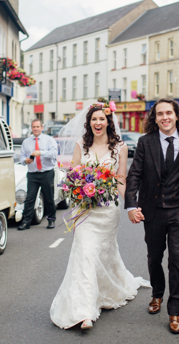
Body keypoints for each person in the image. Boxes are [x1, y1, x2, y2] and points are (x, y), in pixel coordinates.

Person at [50, 103, 150, 330]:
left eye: (101, 119)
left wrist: (131, 207)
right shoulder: (80, 146)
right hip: (85, 210)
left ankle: (108, 289)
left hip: (107, 211)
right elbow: (73, 175)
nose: (98, 123)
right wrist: (77, 190)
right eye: (94, 119)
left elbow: (121, 179)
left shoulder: (120, 148)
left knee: (102, 254)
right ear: (89, 122)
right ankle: (84, 312)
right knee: (85, 254)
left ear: (108, 121)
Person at [125, 98, 179, 335]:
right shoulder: (145, 142)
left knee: (177, 258)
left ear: (177, 115)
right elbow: (134, 175)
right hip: (153, 210)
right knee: (154, 257)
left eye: (169, 113)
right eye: (160, 114)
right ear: (155, 118)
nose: (165, 117)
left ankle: (175, 310)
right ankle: (157, 293)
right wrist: (131, 206)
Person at [18, 119, 58, 230]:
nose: (35, 129)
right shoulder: (26, 142)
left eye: (37, 126)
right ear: (31, 128)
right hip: (32, 174)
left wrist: (41, 153)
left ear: (42, 127)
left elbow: (54, 153)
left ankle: (51, 220)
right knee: (30, 198)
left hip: (47, 173)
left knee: (48, 197)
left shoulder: (49, 140)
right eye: (33, 127)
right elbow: (21, 157)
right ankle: (26, 222)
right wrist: (25, 161)